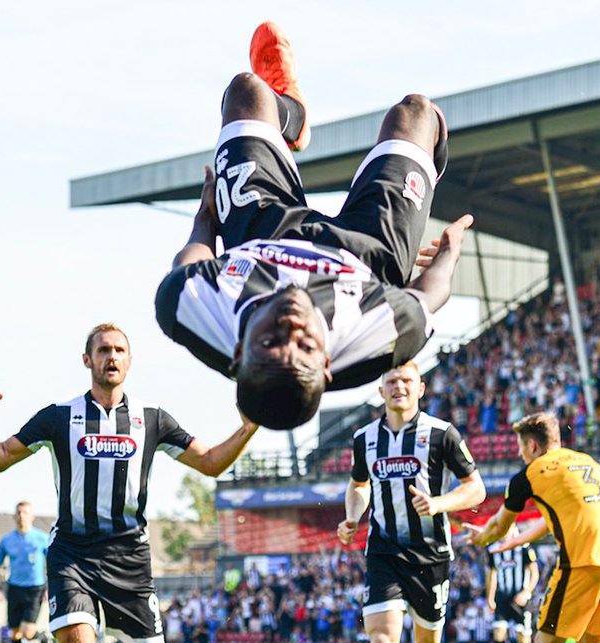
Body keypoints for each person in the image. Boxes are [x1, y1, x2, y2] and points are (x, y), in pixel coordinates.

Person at [156, 21, 472, 431]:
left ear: (236, 354)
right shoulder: (376, 341)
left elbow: (192, 261)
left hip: (261, 234)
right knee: (416, 112)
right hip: (366, 252)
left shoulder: (188, 311)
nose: (291, 324)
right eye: (304, 344)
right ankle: (428, 160)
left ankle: (293, 115)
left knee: (246, 90)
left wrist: (206, 214)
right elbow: (429, 295)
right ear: (326, 364)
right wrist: (448, 252)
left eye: (269, 342)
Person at [0, 323, 258, 643]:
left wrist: (249, 428)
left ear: (130, 361)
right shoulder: (58, 417)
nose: (112, 357)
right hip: (73, 554)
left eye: (119, 351)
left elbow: (211, 462)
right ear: (87, 360)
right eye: (104, 350)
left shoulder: (152, 419)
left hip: (131, 558)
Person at [336, 362, 486, 643]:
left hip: (430, 553)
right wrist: (352, 516)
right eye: (391, 381)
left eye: (406, 380)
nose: (398, 386)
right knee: (381, 640)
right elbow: (358, 485)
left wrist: (438, 504)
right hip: (384, 550)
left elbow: (476, 489)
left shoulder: (442, 433)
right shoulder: (364, 438)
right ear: (381, 391)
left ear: (420, 389)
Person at [469, 412, 600, 643]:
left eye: (522, 448)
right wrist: (516, 542)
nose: (522, 455)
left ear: (532, 445)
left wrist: (481, 538)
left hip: (582, 563)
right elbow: (553, 519)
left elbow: (500, 525)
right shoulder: (587, 462)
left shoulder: (531, 473)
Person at [0, 500, 53, 643]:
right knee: (14, 634)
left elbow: (52, 564)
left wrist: (50, 587)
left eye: (25, 513)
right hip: (14, 588)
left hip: (35, 589)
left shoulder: (42, 538)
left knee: (27, 633)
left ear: (32, 516)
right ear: (14, 516)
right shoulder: (6, 540)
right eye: (19, 512)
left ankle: (42, 638)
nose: (21, 516)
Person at [486, 526, 540, 643]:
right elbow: (492, 575)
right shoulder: (493, 549)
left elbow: (534, 573)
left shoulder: (524, 547)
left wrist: (526, 592)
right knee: (499, 631)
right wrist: (490, 597)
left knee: (522, 636)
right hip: (502, 598)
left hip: (520, 599)